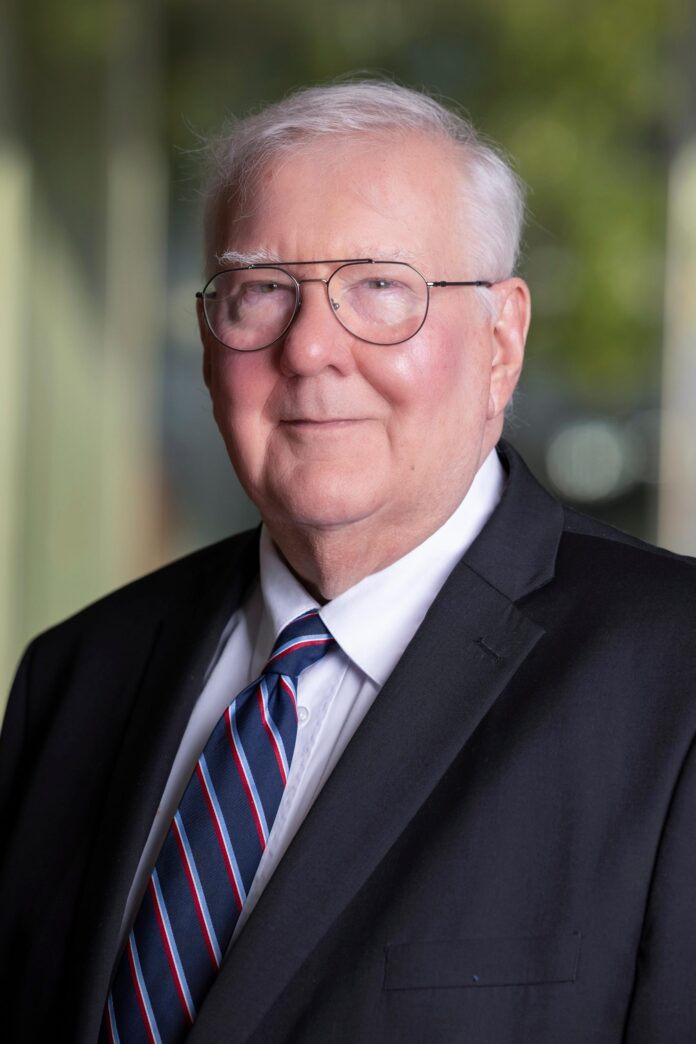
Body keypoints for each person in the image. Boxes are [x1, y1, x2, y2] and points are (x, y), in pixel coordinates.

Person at [1, 80, 695, 1044]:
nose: (312, 347)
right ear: (210, 344)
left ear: (502, 341)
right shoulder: (73, 678)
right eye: (261, 290)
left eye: (380, 286)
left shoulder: (675, 683)